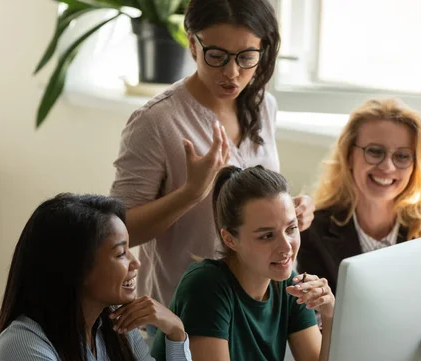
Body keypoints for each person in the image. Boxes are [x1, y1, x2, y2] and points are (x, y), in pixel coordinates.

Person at [110, 0, 314, 307]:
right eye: (216, 56)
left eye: (246, 57)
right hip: (184, 312)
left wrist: (292, 214)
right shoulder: (156, 121)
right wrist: (191, 192)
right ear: (192, 44)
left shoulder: (262, 106)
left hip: (254, 308)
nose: (231, 73)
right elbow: (119, 232)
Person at [0, 194, 199, 361]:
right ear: (76, 269)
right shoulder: (22, 345)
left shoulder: (119, 325)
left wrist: (176, 332)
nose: (136, 263)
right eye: (121, 254)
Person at [151, 166, 334, 361]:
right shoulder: (206, 286)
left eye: (291, 228)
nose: (286, 246)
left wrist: (329, 315)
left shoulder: (290, 285)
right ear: (230, 239)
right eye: (267, 236)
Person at [297, 98, 421, 294]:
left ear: (415, 165)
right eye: (375, 152)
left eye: (402, 156)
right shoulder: (314, 232)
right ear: (350, 156)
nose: (388, 167)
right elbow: (315, 317)